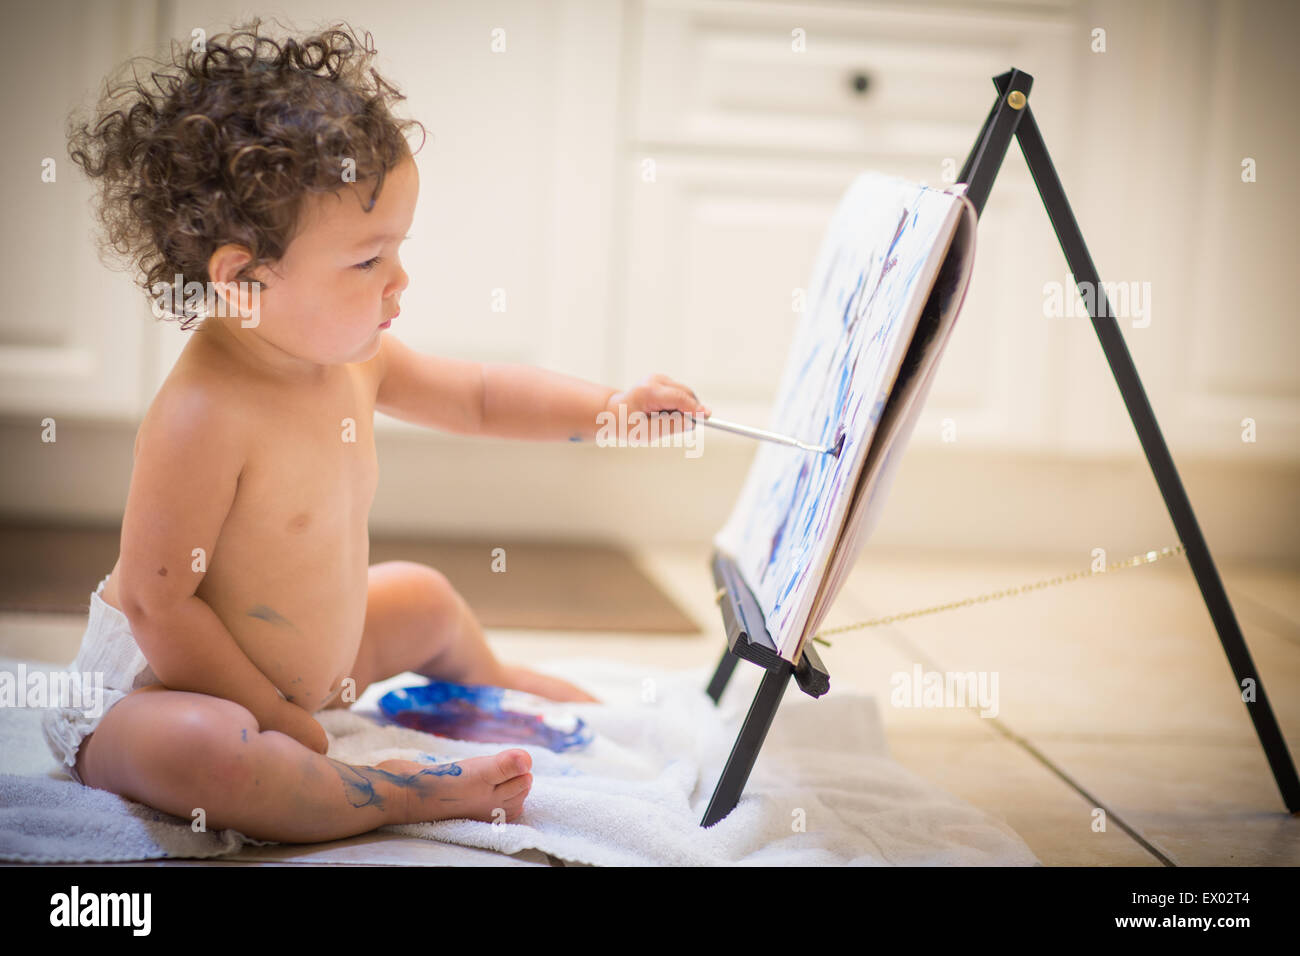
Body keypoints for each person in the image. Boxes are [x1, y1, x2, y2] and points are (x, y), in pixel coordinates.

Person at [41, 20, 711, 843]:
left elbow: (482, 396)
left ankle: (497, 682)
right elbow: (157, 603)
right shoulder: (202, 413)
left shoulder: (352, 359)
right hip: (158, 692)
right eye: (368, 260)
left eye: (398, 248)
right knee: (212, 755)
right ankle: (391, 792)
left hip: (314, 673)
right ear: (245, 279)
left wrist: (611, 407)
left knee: (420, 594)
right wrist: (274, 715)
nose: (400, 278)